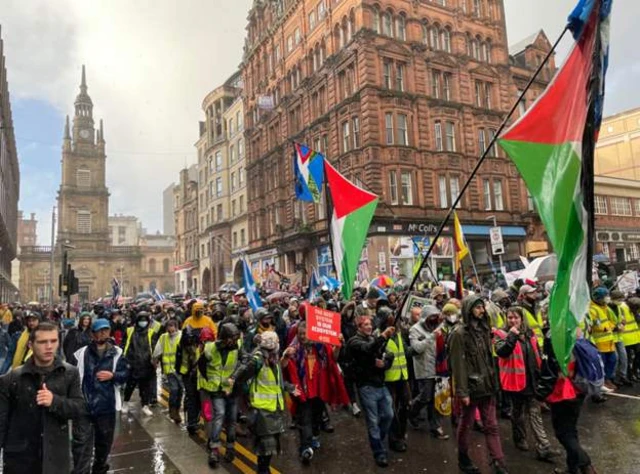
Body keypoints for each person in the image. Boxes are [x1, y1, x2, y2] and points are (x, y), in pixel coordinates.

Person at [0, 322, 86, 474]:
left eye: (53, 341)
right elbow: (2, 420)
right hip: (20, 459)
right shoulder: (12, 378)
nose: (49, 346)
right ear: (31, 345)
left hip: (55, 458)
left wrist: (55, 401)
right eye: (42, 342)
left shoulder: (70, 373)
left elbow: (79, 409)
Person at [448, 295, 509, 474]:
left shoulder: (484, 330)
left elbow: (490, 360)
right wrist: (462, 392)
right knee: (466, 424)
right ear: (468, 310)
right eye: (477, 307)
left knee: (491, 425)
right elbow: (458, 365)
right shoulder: (459, 334)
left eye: (482, 307)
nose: (481, 311)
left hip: (488, 386)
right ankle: (463, 457)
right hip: (471, 389)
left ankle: (499, 462)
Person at [494, 307, 558, 462]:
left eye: (516, 317)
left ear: (522, 319)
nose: (513, 321)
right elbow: (502, 352)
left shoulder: (530, 334)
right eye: (510, 318)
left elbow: (536, 356)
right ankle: (519, 438)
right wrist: (511, 337)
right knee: (518, 413)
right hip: (514, 383)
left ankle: (544, 446)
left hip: (531, 381)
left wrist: (541, 376)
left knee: (535, 413)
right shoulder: (501, 334)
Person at [230, 331, 299, 474]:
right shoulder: (258, 359)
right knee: (265, 449)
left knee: (269, 449)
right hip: (261, 411)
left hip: (273, 410)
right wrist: (244, 395)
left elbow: (276, 381)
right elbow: (242, 375)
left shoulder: (273, 359)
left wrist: (290, 388)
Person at [283, 320, 349, 465]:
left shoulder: (321, 347)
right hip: (303, 393)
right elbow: (282, 366)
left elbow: (334, 358)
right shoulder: (293, 349)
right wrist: (286, 357)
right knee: (304, 420)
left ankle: (314, 436)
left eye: (304, 334)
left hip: (319, 391)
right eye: (299, 334)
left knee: (316, 417)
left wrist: (338, 345)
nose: (302, 336)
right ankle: (305, 448)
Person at [72, 319, 130, 474]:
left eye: (106, 330)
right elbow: (74, 374)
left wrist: (113, 375)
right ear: (93, 333)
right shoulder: (82, 352)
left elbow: (125, 375)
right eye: (99, 330)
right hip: (85, 405)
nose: (103, 333)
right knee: (81, 444)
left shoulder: (117, 352)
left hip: (106, 405)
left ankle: (99, 468)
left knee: (103, 444)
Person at [537, 330, 597, 474]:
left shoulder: (555, 336)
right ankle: (572, 468)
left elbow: (550, 370)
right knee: (571, 430)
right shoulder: (576, 331)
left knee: (563, 433)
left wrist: (540, 395)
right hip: (579, 388)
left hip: (563, 392)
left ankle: (586, 465)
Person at [346, 313, 396, 468]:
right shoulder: (354, 341)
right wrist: (383, 335)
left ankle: (378, 440)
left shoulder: (373, 338)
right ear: (359, 327)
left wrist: (385, 363)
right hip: (366, 386)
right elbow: (368, 349)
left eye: (370, 324)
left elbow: (388, 353)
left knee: (389, 415)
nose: (369, 327)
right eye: (365, 325)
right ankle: (379, 453)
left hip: (380, 384)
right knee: (373, 421)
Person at [198, 323, 242, 468]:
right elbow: (202, 365)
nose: (233, 341)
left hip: (232, 390)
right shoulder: (210, 348)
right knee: (219, 415)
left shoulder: (238, 347)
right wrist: (212, 380)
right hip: (217, 390)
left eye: (235, 338)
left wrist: (234, 378)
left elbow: (244, 362)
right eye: (231, 338)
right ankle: (214, 448)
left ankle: (230, 447)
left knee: (232, 420)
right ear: (223, 338)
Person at [408, 305, 449, 440]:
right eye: (432, 317)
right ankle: (411, 411)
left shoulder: (439, 326)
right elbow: (417, 348)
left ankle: (435, 427)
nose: (434, 319)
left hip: (439, 368)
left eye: (436, 317)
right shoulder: (414, 330)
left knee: (437, 399)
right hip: (425, 369)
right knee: (425, 397)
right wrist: (432, 337)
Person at [377, 306, 411, 453]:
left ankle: (401, 434)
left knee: (405, 407)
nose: (393, 317)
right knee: (391, 411)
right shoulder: (379, 336)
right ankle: (394, 439)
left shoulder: (399, 334)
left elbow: (406, 351)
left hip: (402, 377)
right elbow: (376, 354)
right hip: (388, 379)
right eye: (389, 316)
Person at [122, 311, 158, 416]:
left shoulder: (151, 332)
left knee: (145, 387)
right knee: (130, 385)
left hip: (146, 364)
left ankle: (145, 405)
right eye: (141, 320)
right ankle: (125, 402)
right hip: (132, 363)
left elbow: (155, 347)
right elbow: (124, 345)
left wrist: (155, 360)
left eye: (145, 320)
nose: (143, 322)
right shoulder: (129, 331)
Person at [153, 319, 183, 423]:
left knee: (180, 391)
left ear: (176, 327)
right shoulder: (163, 337)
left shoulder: (182, 336)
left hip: (180, 370)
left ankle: (177, 410)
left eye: (172, 328)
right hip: (169, 370)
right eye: (168, 328)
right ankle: (172, 410)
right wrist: (155, 362)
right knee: (174, 390)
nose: (171, 331)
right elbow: (157, 351)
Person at [589, 287, 617, 390]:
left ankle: (608, 379)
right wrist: (607, 328)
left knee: (613, 360)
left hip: (609, 341)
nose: (607, 298)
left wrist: (610, 326)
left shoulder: (606, 307)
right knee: (602, 364)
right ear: (599, 298)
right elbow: (597, 325)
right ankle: (603, 382)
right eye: (605, 297)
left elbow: (614, 320)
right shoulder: (592, 309)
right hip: (600, 343)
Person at [609, 290, 636, 386]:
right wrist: (615, 327)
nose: (620, 301)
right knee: (615, 359)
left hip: (619, 336)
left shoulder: (619, 308)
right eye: (619, 299)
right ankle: (612, 378)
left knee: (624, 357)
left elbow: (621, 318)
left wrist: (622, 323)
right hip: (610, 337)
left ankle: (623, 376)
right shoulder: (607, 308)